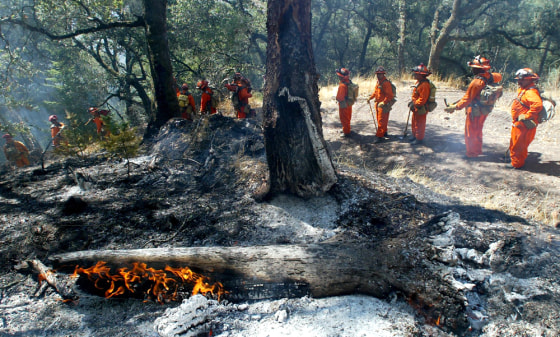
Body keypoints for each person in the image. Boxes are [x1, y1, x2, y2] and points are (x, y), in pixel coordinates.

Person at [444, 56, 503, 158]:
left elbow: (467, 99)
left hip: (475, 110)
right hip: (484, 110)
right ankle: (477, 150)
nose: (472, 69)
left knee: (470, 132)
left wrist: (455, 107)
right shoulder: (490, 76)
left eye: (474, 67)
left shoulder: (476, 82)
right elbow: (499, 76)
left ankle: (472, 154)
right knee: (478, 130)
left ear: (478, 68)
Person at [508, 68, 543, 169]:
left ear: (529, 80)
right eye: (518, 80)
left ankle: (517, 164)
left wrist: (527, 116)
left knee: (519, 146)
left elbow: (537, 105)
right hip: (520, 123)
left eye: (522, 80)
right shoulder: (525, 90)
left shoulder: (531, 92)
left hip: (524, 124)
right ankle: (514, 160)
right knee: (515, 143)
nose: (519, 82)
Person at [367, 66, 395, 142]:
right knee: (382, 120)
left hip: (383, 105)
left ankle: (379, 136)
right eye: (377, 74)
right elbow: (375, 92)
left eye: (380, 74)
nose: (378, 75)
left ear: (383, 74)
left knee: (381, 120)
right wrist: (370, 98)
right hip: (378, 104)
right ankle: (384, 132)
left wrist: (384, 102)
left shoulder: (386, 83)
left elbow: (390, 95)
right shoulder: (378, 82)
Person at [407, 63, 432, 145]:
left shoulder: (424, 85)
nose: (414, 74)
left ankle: (419, 139)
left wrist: (415, 104)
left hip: (421, 108)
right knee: (414, 122)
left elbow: (422, 99)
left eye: (416, 73)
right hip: (417, 107)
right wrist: (412, 102)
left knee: (420, 123)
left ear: (421, 75)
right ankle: (415, 136)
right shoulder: (419, 82)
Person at [335, 68, 353, 136]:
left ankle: (346, 132)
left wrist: (337, 99)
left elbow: (340, 97)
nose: (338, 76)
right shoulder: (349, 82)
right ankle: (346, 129)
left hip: (343, 104)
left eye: (339, 75)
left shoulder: (342, 85)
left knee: (344, 118)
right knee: (348, 116)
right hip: (349, 103)